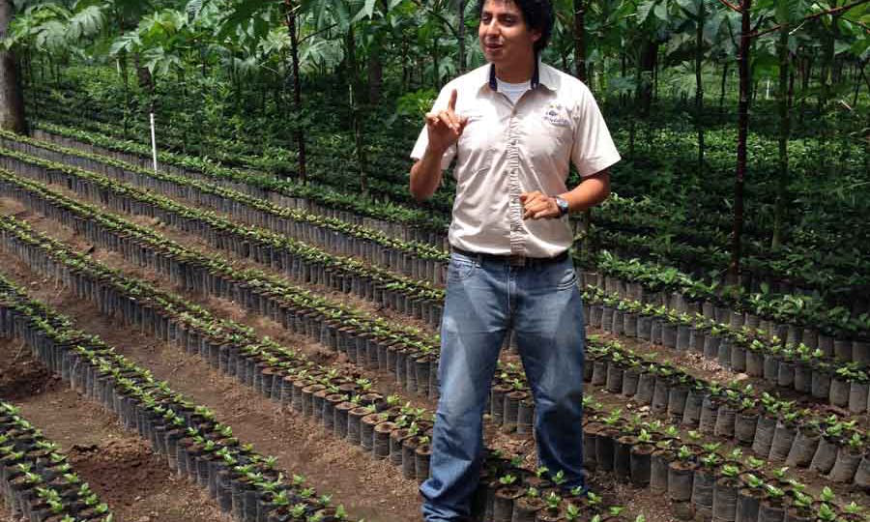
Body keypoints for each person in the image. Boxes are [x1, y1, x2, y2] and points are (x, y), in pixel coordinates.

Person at [409, 0, 620, 520]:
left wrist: (561, 203)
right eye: (486, 18)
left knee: (560, 398)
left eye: (507, 20)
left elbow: (600, 179)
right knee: (459, 401)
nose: (491, 30)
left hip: (549, 277)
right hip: (474, 273)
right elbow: (420, 189)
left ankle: (563, 496)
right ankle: (444, 509)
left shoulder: (571, 96)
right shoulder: (458, 94)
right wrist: (435, 148)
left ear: (537, 31)